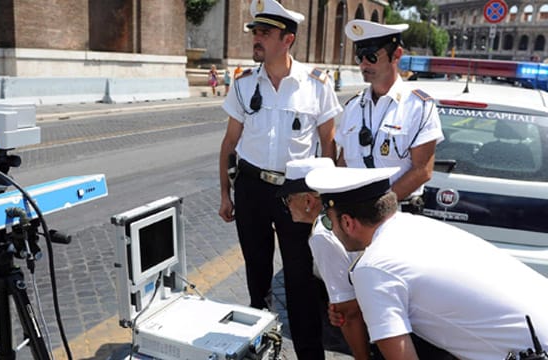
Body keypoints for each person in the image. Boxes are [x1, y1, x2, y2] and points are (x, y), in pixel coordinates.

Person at [305, 166, 548, 360]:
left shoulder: (374, 266)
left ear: (348, 222)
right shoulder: (415, 226)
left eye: (330, 223)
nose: (332, 231)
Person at [218, 0, 342, 358]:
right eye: (255, 32)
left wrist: (325, 200)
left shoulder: (316, 85)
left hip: (297, 193)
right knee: (257, 275)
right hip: (252, 188)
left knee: (300, 278)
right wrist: (226, 195)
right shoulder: (242, 85)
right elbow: (229, 143)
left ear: (287, 40)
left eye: (265, 33)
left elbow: (328, 146)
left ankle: (309, 353)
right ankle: (259, 347)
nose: (257, 39)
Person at [335, 20, 444, 212]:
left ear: (397, 54)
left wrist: (377, 209)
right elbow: (343, 162)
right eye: (359, 58)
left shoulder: (419, 106)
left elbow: (422, 171)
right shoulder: (352, 107)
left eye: (371, 56)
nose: (364, 65)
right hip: (355, 215)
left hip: (398, 214)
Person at [277, 158, 372, 360]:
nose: (286, 206)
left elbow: (348, 311)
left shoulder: (321, 236)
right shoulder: (341, 216)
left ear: (308, 202)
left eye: (288, 199)